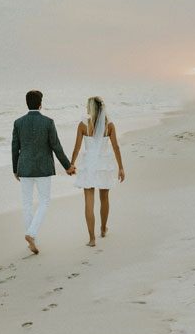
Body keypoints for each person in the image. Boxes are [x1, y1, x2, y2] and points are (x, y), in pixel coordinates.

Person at [12, 89, 75, 254]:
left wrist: (15, 169)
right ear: (40, 104)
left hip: (24, 167)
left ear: (27, 104)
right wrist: (67, 166)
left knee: (26, 204)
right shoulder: (48, 122)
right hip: (43, 168)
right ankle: (31, 234)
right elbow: (56, 146)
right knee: (44, 202)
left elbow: (14, 148)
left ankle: (32, 240)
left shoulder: (18, 123)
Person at [70, 96, 125, 247]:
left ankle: (92, 239)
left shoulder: (83, 124)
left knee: (89, 202)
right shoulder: (109, 125)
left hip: (89, 164)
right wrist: (121, 167)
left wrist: (72, 164)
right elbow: (115, 147)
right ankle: (103, 228)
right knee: (104, 198)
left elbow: (77, 147)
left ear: (90, 108)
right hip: (103, 164)